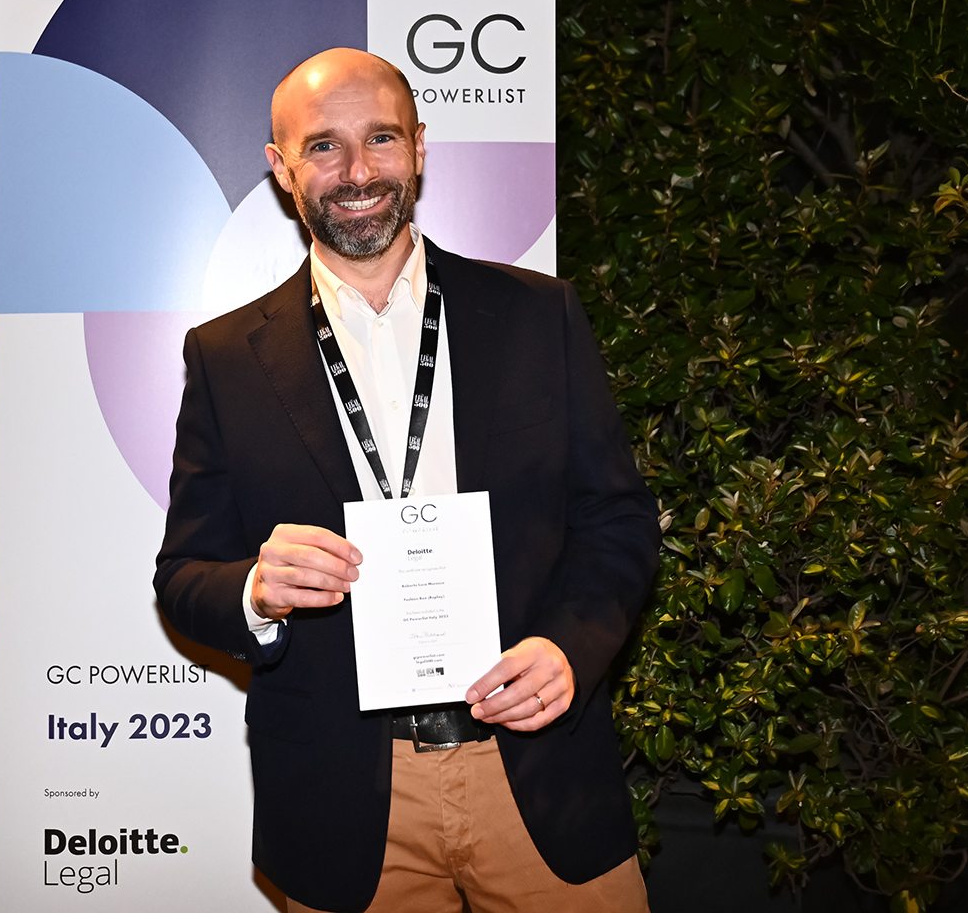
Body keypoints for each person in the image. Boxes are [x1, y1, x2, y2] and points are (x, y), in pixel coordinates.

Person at [154, 47, 659, 912]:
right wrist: (257, 591)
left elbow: (617, 519)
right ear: (281, 168)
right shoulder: (226, 357)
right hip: (342, 798)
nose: (357, 172)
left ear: (420, 147)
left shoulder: (540, 315)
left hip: (536, 771)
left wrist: (569, 648)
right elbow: (184, 577)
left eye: (381, 138)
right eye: (323, 146)